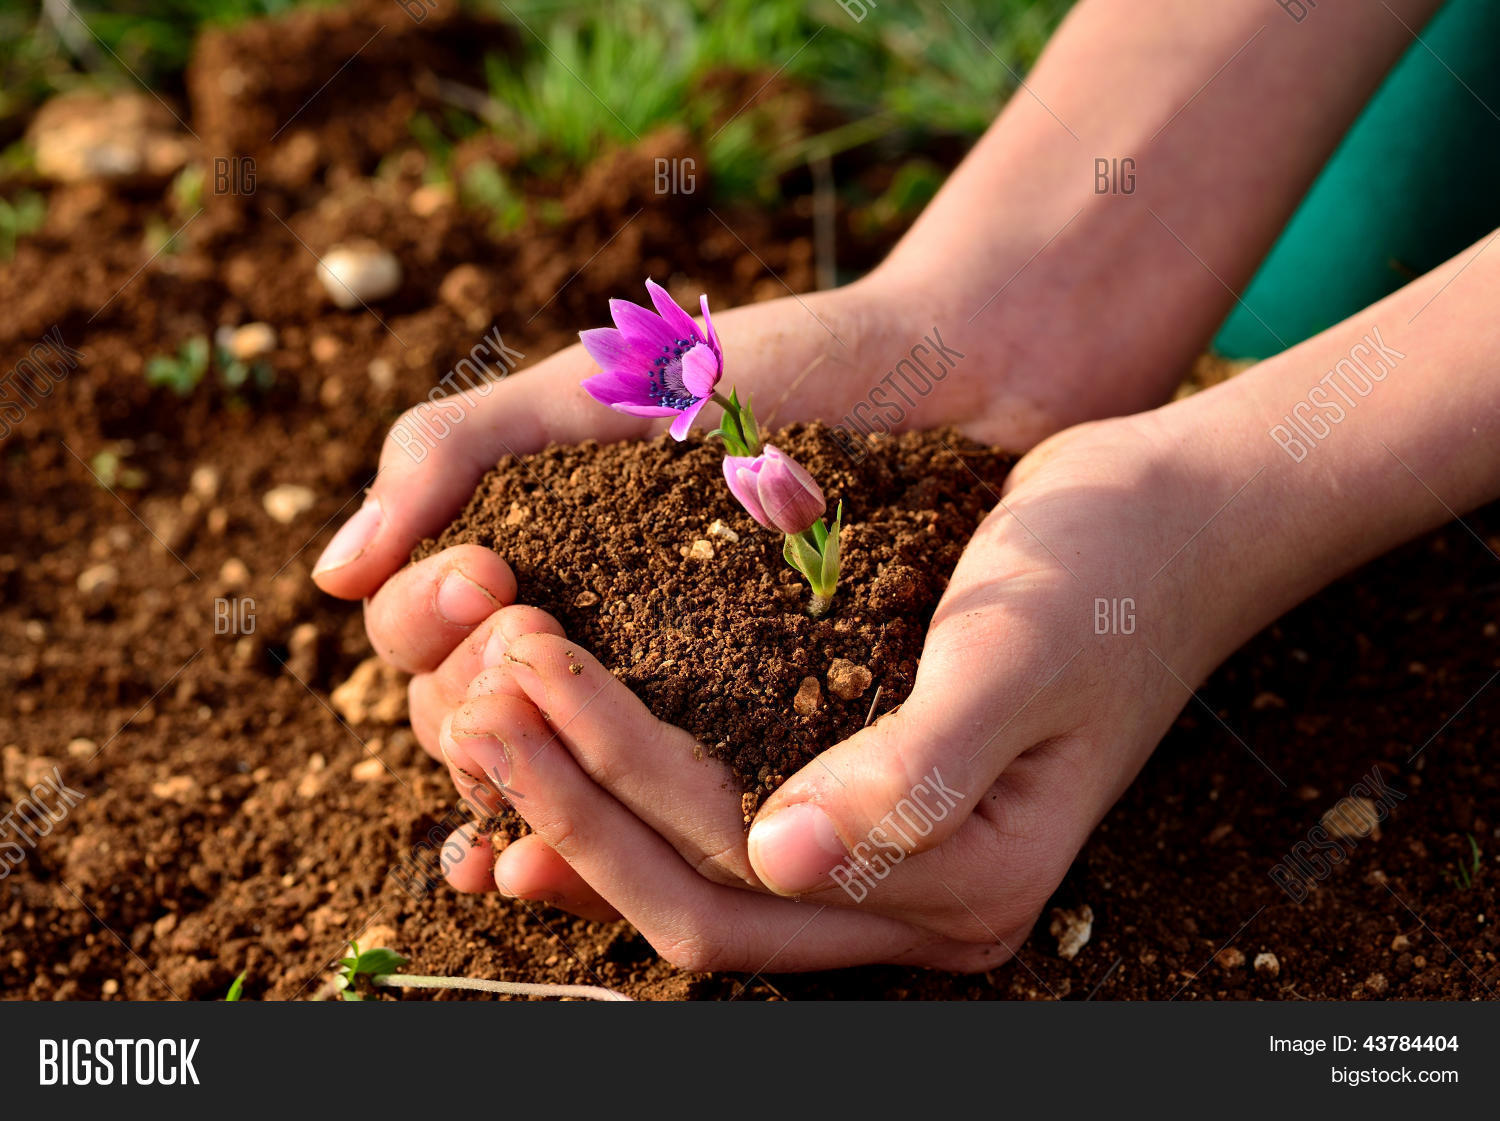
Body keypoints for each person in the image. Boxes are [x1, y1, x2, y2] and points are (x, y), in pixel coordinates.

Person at [313, 0, 1500, 971]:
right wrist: (997, 311)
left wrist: (1226, 499)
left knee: (1375, 252)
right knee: (1342, 243)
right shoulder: (723, 424)